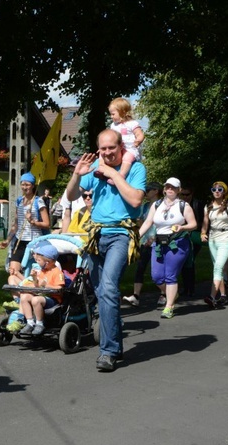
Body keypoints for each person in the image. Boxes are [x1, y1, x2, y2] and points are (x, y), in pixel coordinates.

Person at [65, 129, 146, 372]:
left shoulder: (136, 169)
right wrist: (77, 176)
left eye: (112, 148)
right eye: (103, 149)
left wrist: (112, 172)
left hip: (121, 235)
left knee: (109, 288)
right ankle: (116, 344)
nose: (107, 153)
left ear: (121, 147)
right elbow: (70, 195)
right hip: (96, 236)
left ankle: (108, 351)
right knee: (101, 293)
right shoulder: (93, 168)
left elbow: (135, 201)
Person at [138, 177, 197, 319]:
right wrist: (136, 237)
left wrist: (182, 227)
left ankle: (169, 306)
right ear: (164, 189)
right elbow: (147, 222)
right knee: (157, 276)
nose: (170, 189)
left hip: (177, 243)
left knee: (170, 275)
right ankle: (172, 293)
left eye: (173, 187)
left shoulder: (183, 206)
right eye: (168, 187)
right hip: (158, 243)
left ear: (179, 190)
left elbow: (193, 224)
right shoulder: (157, 205)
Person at [200, 181, 228, 309]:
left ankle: (212, 297)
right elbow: (205, 222)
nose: (217, 191)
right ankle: (223, 295)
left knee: (218, 267)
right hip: (212, 239)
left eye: (220, 189)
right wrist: (203, 233)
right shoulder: (208, 207)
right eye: (214, 189)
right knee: (216, 267)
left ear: (224, 192)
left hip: (226, 238)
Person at [0, 172, 50, 275]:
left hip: (35, 242)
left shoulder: (38, 201)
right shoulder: (19, 201)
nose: (24, 187)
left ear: (33, 186)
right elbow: (16, 224)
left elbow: (47, 224)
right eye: (22, 184)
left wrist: (33, 222)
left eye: (27, 184)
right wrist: (7, 241)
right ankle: (18, 289)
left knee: (36, 273)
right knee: (13, 271)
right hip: (20, 241)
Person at [123, 182, 162, 307]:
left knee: (158, 270)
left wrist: (154, 237)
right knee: (140, 267)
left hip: (158, 241)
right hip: (145, 241)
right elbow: (143, 222)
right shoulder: (145, 206)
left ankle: (165, 293)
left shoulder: (162, 205)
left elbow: (163, 223)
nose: (145, 193)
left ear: (156, 191)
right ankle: (136, 295)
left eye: (148, 190)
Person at [17, 241, 66, 336]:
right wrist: (35, 278)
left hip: (53, 299)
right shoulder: (42, 271)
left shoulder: (57, 273)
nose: (37, 262)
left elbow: (60, 288)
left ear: (47, 262)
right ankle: (30, 322)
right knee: (24, 297)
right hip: (41, 295)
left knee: (35, 300)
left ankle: (40, 324)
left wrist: (46, 286)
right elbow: (37, 286)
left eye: (39, 260)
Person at [108, 97, 144, 182]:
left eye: (113, 114)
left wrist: (138, 140)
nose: (111, 116)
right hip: (118, 148)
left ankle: (121, 176)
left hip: (130, 149)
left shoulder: (132, 123)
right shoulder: (113, 125)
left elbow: (140, 134)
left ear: (122, 112)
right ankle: (103, 172)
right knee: (105, 154)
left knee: (127, 158)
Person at [178, 184, 205, 297]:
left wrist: (193, 227)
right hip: (181, 234)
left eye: (187, 194)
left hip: (195, 234)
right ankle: (187, 287)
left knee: (190, 259)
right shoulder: (178, 204)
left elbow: (203, 220)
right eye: (182, 194)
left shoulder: (198, 204)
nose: (185, 197)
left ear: (192, 194)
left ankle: (190, 287)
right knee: (184, 261)